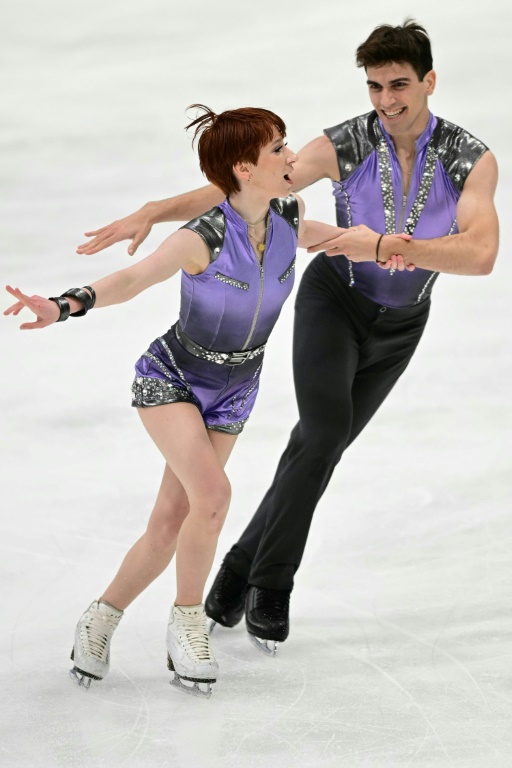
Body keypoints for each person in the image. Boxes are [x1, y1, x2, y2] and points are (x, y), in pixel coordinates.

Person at [76, 20, 500, 655]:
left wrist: (389, 246)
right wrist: (152, 211)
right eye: (375, 86)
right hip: (334, 301)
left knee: (316, 448)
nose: (386, 99)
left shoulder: (470, 158)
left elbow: (482, 253)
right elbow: (246, 186)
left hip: (404, 322)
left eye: (400, 85)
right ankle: (272, 585)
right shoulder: (343, 144)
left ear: (429, 81)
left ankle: (237, 568)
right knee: (323, 435)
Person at [4, 105, 351, 697]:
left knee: (170, 523)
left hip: (236, 389)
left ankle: (101, 616)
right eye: (278, 149)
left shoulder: (289, 214)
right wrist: (63, 305)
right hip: (174, 381)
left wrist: (390, 246)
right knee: (212, 497)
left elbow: (335, 239)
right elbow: (134, 280)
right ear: (244, 168)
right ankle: (187, 623)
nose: (292, 158)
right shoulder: (202, 237)